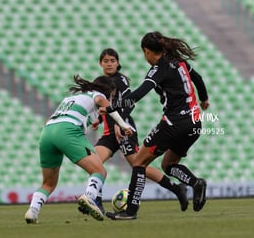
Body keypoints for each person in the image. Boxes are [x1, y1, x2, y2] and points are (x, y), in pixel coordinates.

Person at [104, 31, 210, 220]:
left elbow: (139, 93)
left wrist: (113, 106)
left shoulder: (158, 68)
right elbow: (199, 79)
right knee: (168, 165)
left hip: (173, 122)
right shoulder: (178, 61)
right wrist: (204, 99)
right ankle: (195, 183)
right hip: (195, 122)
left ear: (147, 51)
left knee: (139, 162)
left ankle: (130, 211)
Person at [78, 48, 189, 215]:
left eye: (112, 61)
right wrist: (99, 120)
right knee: (95, 163)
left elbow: (130, 103)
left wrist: (120, 124)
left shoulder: (120, 80)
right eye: (106, 61)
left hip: (124, 130)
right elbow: (105, 106)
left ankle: (176, 188)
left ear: (117, 63)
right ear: (100, 63)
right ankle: (95, 201)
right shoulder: (100, 81)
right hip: (109, 134)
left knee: (138, 165)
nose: (109, 64)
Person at [24, 75, 134, 223]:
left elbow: (93, 110)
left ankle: (33, 211)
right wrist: (124, 125)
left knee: (48, 183)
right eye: (112, 94)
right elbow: (107, 106)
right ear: (108, 90)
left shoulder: (72, 98)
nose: (112, 98)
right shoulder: (98, 95)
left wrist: (96, 119)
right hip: (68, 130)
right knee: (99, 171)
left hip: (47, 132)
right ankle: (88, 197)